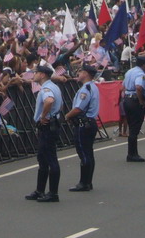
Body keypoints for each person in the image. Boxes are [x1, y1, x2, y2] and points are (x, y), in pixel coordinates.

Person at [26, 63, 62, 202]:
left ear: (42, 75)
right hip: (52, 123)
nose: (34, 75)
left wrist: (43, 116)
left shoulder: (46, 88)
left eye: (36, 73)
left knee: (50, 158)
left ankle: (53, 193)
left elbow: (49, 101)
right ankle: (40, 190)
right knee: (42, 159)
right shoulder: (54, 87)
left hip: (47, 126)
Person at [65, 66, 100, 191]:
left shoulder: (86, 89)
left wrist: (67, 116)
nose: (78, 74)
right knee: (88, 153)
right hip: (89, 122)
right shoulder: (92, 87)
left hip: (83, 123)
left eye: (80, 72)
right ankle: (88, 182)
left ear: (86, 74)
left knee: (84, 153)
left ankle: (84, 182)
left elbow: (79, 108)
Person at [123, 55, 145, 162]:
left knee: (131, 126)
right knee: (135, 128)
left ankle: (132, 152)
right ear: (143, 65)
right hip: (134, 100)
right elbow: (138, 87)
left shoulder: (129, 71)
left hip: (127, 98)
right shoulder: (140, 73)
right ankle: (132, 153)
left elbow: (123, 85)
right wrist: (141, 100)